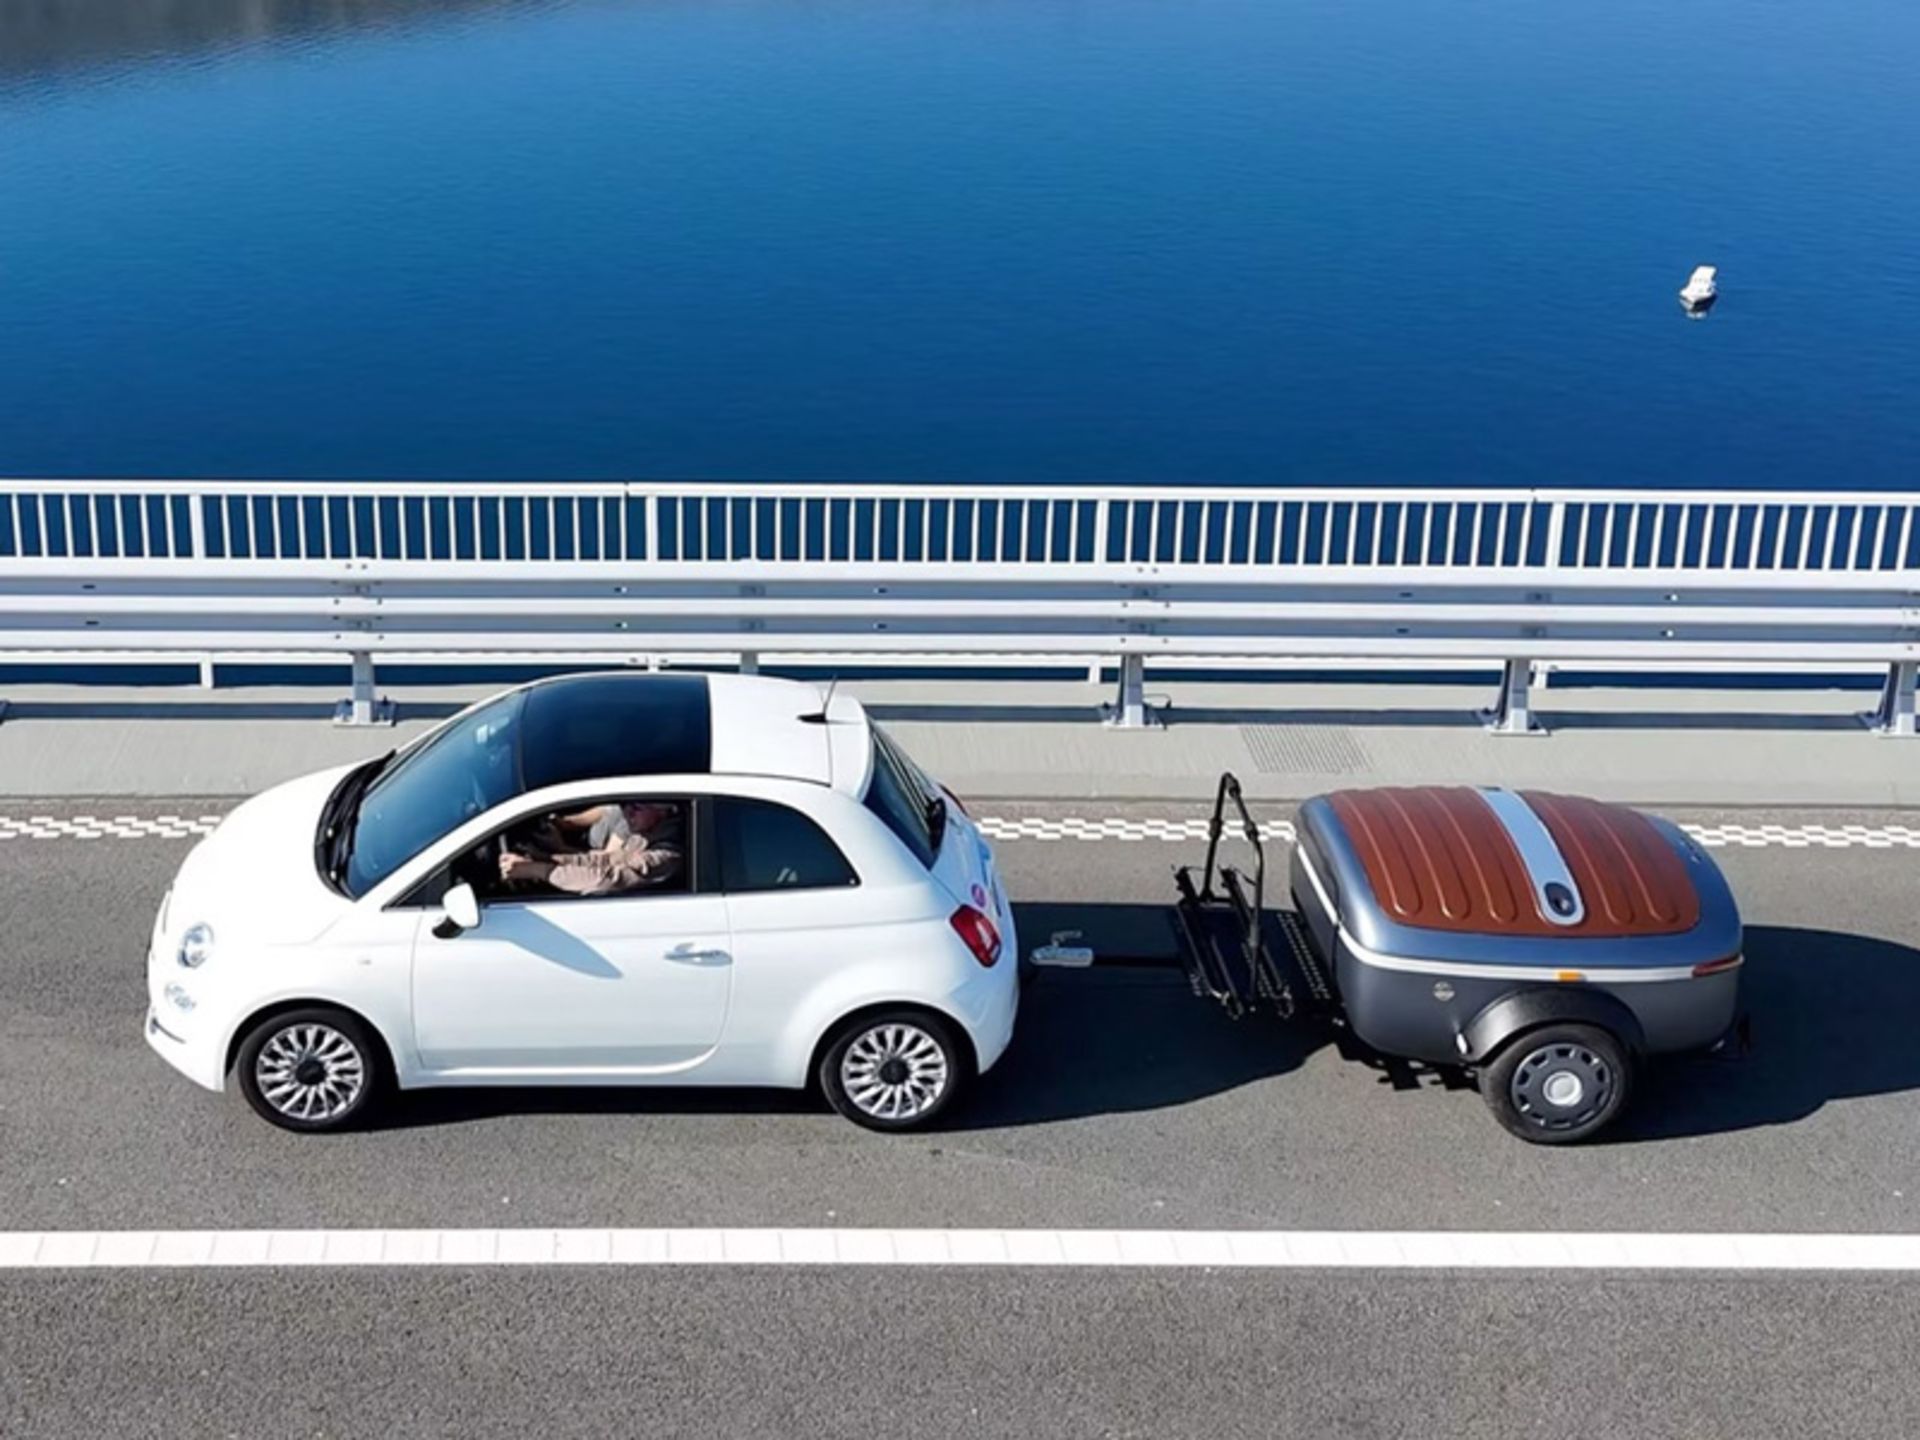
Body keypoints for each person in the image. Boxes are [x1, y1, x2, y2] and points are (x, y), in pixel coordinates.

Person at [498, 801, 684, 897]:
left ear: (663, 811)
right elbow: (605, 860)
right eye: (624, 805)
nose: (626, 812)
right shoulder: (645, 833)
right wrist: (546, 858)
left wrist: (539, 871)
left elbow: (604, 880)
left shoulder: (666, 856)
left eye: (636, 807)